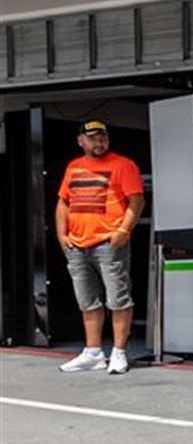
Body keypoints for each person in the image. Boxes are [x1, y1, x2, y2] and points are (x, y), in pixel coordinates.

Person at [56, 120, 146, 374]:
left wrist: (123, 230)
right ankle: (93, 352)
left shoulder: (123, 165)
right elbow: (63, 202)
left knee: (118, 297)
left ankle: (119, 353)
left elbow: (136, 201)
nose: (99, 142)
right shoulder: (74, 167)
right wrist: (62, 236)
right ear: (81, 141)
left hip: (108, 242)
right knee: (88, 300)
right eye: (93, 138)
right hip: (77, 244)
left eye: (103, 137)